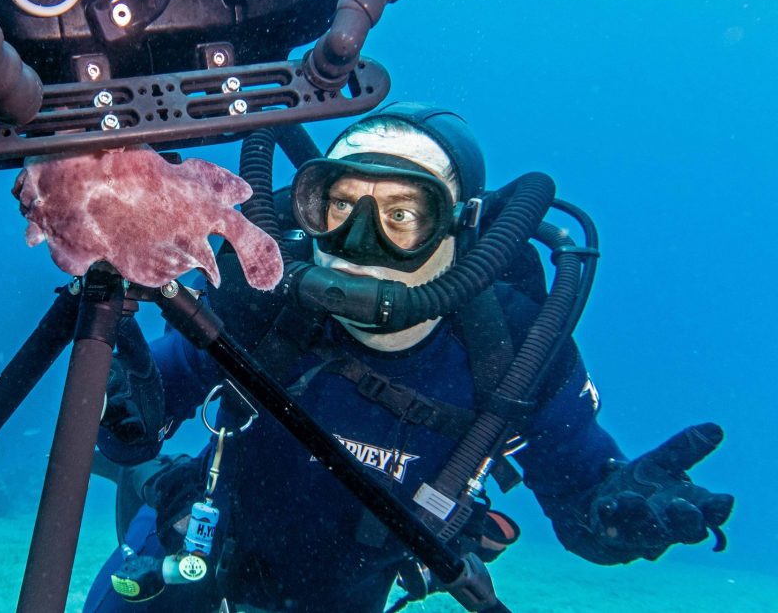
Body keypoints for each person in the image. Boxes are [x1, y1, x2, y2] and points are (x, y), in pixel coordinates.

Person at [83, 103, 734, 613]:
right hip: (191, 549)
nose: (357, 246)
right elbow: (133, 420)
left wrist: (612, 512)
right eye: (338, 206)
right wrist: (121, 393)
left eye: (402, 214)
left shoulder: (510, 349)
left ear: (461, 225)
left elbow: (581, 495)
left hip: (345, 592)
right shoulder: (267, 301)